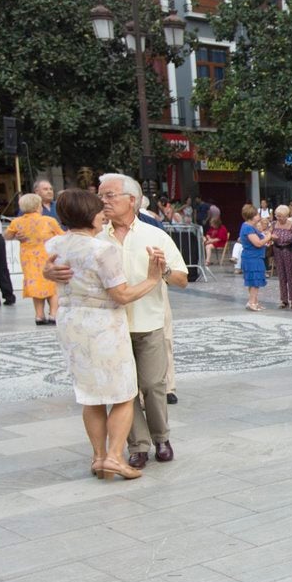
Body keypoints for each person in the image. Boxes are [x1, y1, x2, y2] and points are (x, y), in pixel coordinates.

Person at [45, 173, 187, 469]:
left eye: (110, 196)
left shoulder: (155, 234)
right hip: (111, 328)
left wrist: (160, 272)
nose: (103, 201)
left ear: (132, 200)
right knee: (125, 391)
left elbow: (182, 279)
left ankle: (161, 436)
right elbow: (59, 264)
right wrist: (49, 273)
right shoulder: (94, 235)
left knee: (152, 385)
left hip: (146, 322)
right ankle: (136, 446)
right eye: (101, 196)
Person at [6, 193, 61, 326]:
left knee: (36, 286)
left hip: (28, 258)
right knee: (52, 286)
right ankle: (53, 314)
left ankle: (39, 315)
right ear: (38, 206)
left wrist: (16, 236)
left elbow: (7, 235)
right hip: (47, 256)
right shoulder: (48, 221)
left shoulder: (16, 222)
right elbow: (62, 235)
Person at [238, 204, 270, 311]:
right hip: (252, 257)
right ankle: (252, 302)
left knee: (254, 280)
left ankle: (255, 301)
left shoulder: (250, 227)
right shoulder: (248, 228)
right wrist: (268, 237)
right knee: (255, 281)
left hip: (254, 257)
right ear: (252, 216)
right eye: (256, 214)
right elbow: (258, 243)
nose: (258, 215)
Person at [270, 204, 292, 309]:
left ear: (287, 215)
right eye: (277, 215)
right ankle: (284, 300)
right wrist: (271, 237)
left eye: (281, 216)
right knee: (281, 276)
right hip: (277, 250)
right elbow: (268, 235)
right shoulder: (273, 224)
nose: (279, 218)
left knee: (290, 276)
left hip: (289, 251)